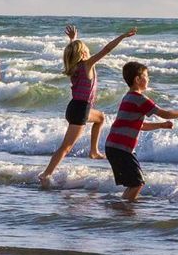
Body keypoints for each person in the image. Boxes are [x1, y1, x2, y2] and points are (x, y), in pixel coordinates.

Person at [39, 25, 136, 187]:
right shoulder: (87, 64)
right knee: (66, 147)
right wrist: (122, 36)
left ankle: (94, 151)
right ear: (83, 54)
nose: (90, 52)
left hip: (76, 107)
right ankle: (46, 174)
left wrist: (73, 39)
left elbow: (72, 51)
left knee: (100, 118)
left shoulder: (74, 67)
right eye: (87, 50)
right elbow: (107, 49)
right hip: (80, 110)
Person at [104, 62, 178, 201]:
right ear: (137, 80)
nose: (148, 79)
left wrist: (161, 125)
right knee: (137, 183)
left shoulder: (128, 97)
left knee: (134, 183)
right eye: (146, 76)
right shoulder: (139, 99)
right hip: (121, 148)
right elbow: (166, 113)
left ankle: (123, 207)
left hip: (114, 147)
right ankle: (124, 209)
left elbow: (140, 125)